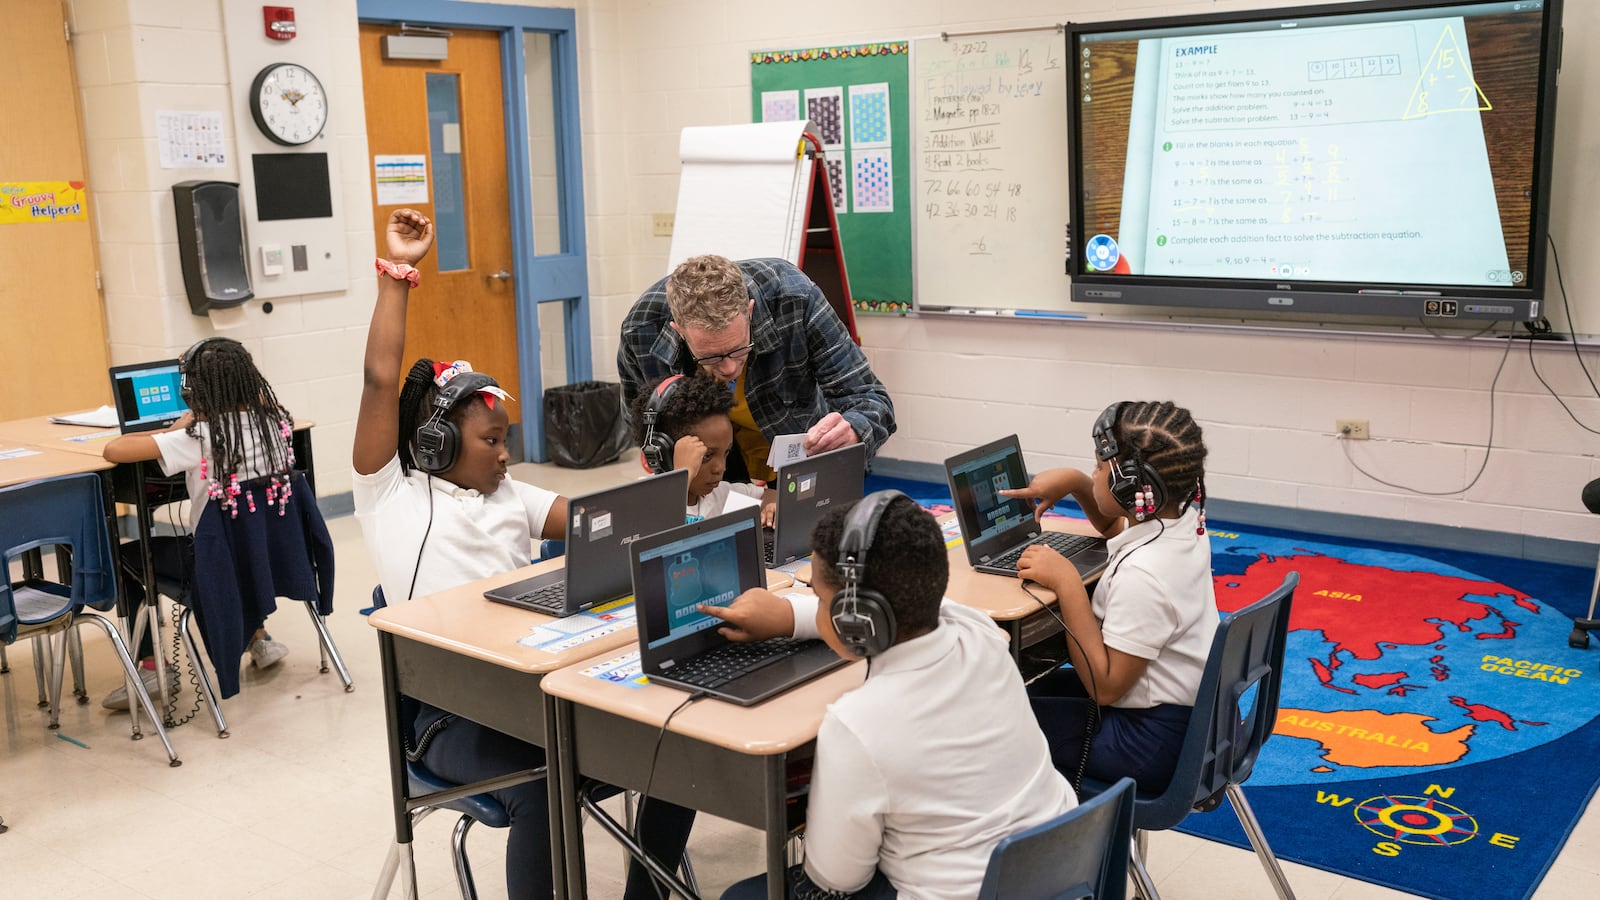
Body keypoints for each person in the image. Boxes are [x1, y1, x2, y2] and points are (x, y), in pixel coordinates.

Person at [354, 208, 692, 900]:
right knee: (543, 781)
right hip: (451, 716)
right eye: (490, 440)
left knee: (680, 740)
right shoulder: (391, 493)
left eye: (506, 438)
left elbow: (601, 525)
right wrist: (399, 275)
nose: (506, 453)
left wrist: (678, 495)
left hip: (535, 682)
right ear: (437, 446)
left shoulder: (510, 491)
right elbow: (380, 381)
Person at [707, 493, 1077, 900]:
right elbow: (927, 601)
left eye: (819, 597)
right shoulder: (983, 634)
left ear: (855, 619)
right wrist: (789, 616)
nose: (816, 606)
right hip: (1056, 873)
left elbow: (837, 880)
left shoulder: (857, 724)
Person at [999, 400, 1217, 793]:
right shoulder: (1178, 521)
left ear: (1128, 485)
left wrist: (1068, 585)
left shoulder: (1146, 575)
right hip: (1195, 718)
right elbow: (1119, 525)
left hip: (1151, 741)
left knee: (994, 723)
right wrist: (1078, 484)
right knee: (1014, 693)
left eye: (1099, 468)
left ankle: (1041, 840)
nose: (1094, 473)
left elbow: (1106, 687)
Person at [100, 337, 297, 709]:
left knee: (128, 557)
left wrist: (176, 427)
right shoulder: (276, 425)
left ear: (194, 391)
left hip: (214, 568)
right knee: (243, 532)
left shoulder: (199, 437)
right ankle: (259, 638)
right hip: (267, 560)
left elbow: (114, 450)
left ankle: (150, 665)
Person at [618, 255, 895, 484]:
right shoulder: (642, 329)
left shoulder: (795, 298)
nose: (728, 368)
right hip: (707, 478)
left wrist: (854, 429)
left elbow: (872, 401)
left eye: (739, 349)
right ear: (678, 331)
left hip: (798, 462)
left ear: (749, 312)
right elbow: (644, 430)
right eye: (710, 357)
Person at [628, 373, 777, 523]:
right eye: (707, 455)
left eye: (726, 453)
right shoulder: (643, 501)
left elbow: (771, 495)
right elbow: (661, 528)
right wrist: (682, 476)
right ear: (664, 453)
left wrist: (770, 507)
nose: (721, 468)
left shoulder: (720, 495)